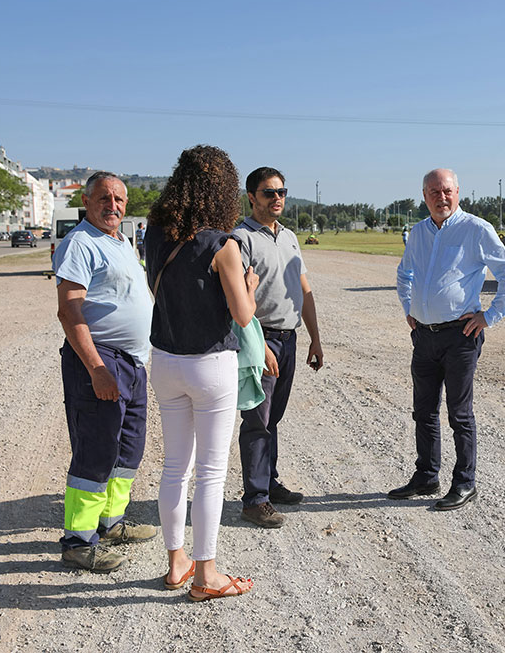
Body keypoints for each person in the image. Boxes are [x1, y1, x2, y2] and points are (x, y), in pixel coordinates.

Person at [145, 145, 257, 601]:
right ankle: (206, 575)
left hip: (165, 361)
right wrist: (248, 285)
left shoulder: (153, 235)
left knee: (175, 465)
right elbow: (244, 316)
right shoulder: (223, 244)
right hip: (210, 364)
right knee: (211, 472)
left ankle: (176, 566)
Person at [392, 168, 505, 511]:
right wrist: (410, 307)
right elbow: (404, 273)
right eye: (434, 192)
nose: (441, 197)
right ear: (424, 196)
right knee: (424, 412)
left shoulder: (476, 229)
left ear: (458, 192)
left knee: (459, 414)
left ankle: (465, 483)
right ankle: (426, 476)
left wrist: (489, 316)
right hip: (424, 335)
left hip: (460, 336)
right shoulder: (418, 233)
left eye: (446, 190)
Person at [53, 171, 156, 573]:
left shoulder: (122, 241)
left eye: (119, 199)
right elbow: (69, 309)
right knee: (96, 451)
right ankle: (79, 541)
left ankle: (110, 523)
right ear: (86, 199)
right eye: (104, 198)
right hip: (102, 359)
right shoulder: (80, 242)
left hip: (132, 363)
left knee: (128, 449)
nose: (113, 205)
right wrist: (95, 367)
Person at [233, 166, 324, 528]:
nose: (277, 198)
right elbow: (236, 299)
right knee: (257, 420)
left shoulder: (288, 236)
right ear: (251, 197)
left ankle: (268, 484)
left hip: (290, 338)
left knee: (274, 418)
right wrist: (259, 347)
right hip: (262, 338)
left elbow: (303, 289)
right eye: (269, 193)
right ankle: (254, 499)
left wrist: (315, 337)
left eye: (282, 192)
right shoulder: (240, 238)